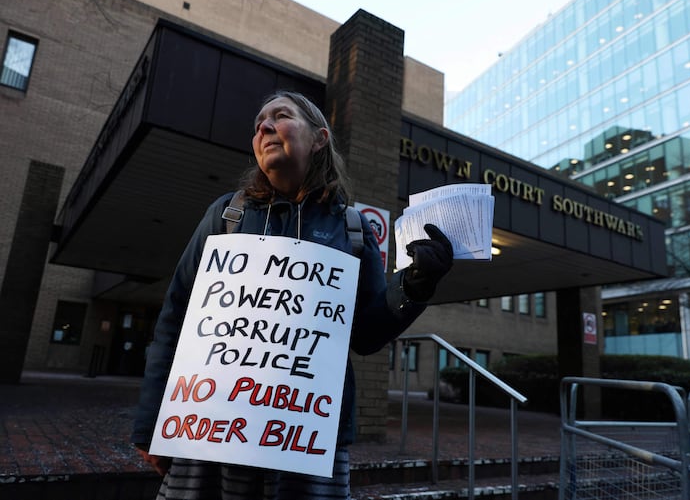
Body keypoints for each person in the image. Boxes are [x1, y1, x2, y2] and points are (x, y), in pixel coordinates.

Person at [131, 90, 453, 499]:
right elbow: (176, 317)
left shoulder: (353, 230)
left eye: (279, 116)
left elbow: (368, 334)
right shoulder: (226, 215)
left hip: (308, 437)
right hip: (211, 429)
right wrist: (151, 421)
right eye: (258, 124)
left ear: (319, 138)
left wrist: (414, 285)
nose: (263, 127)